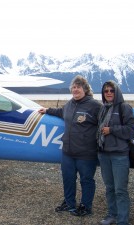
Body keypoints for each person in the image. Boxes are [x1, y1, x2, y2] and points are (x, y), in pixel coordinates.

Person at [38, 75, 101, 216]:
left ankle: (85, 206)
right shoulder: (70, 104)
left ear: (85, 89)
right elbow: (61, 112)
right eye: (73, 87)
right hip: (68, 152)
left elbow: (105, 121)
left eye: (78, 87)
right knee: (68, 178)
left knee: (87, 180)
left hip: (86, 153)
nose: (75, 89)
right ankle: (69, 203)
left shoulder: (95, 106)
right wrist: (47, 110)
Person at [97, 81, 134, 225]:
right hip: (104, 154)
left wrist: (112, 130)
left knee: (120, 190)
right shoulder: (103, 109)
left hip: (119, 155)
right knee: (109, 188)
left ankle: (122, 220)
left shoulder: (124, 107)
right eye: (105, 91)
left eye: (111, 90)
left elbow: (132, 129)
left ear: (117, 92)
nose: (108, 93)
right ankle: (112, 215)